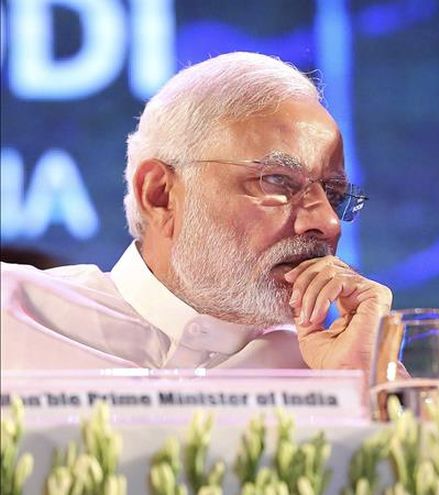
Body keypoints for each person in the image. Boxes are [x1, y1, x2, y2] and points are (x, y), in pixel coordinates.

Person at [1, 52, 392, 371]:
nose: (327, 222)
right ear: (160, 195)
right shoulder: (14, 315)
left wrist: (366, 379)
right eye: (277, 182)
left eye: (334, 194)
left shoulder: (327, 364)